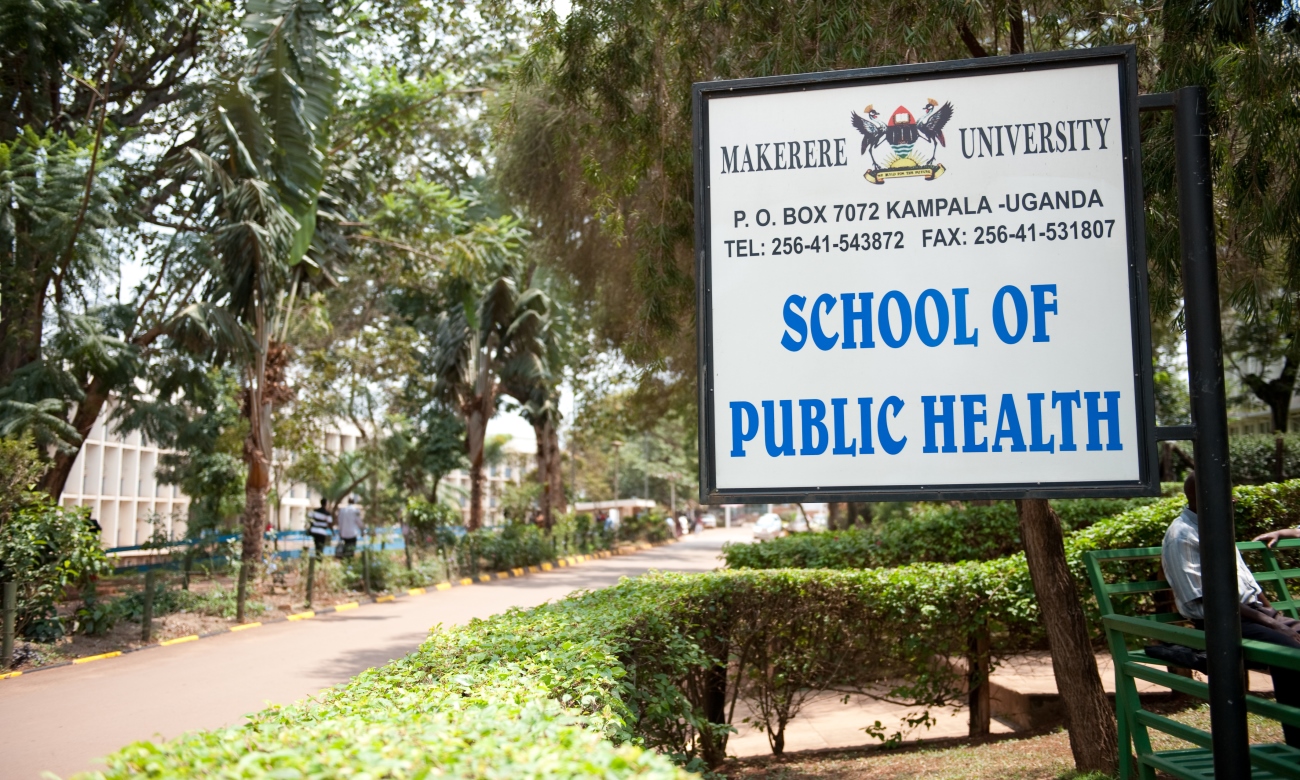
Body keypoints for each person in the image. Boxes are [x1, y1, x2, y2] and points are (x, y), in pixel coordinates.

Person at [1163, 472, 1300, 746]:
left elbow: (1245, 579)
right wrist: (1273, 624)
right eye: (1228, 495)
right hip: (1221, 622)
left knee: (1291, 639)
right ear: (1202, 497)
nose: (1234, 500)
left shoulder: (1216, 524)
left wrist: (1276, 615)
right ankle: (1297, 741)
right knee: (1289, 651)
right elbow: (1211, 601)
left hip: (1253, 615)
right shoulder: (1182, 536)